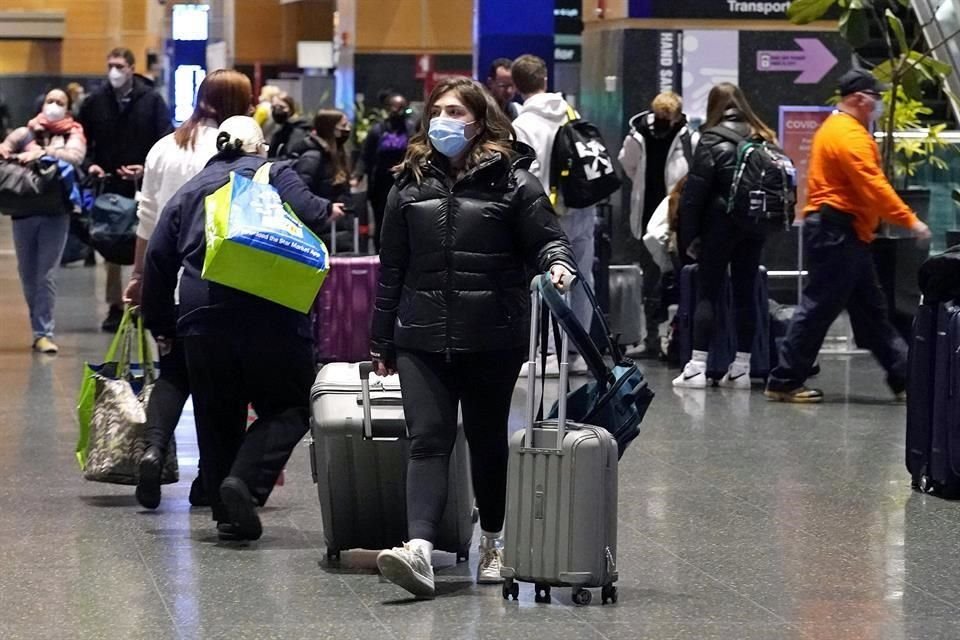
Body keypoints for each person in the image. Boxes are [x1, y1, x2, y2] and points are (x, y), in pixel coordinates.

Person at [369, 77, 577, 599]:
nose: (444, 120)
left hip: (492, 334)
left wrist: (557, 266)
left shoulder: (514, 182)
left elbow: (549, 240)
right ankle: (418, 549)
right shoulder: (408, 184)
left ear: (480, 120)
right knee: (428, 439)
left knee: (487, 441)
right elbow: (391, 266)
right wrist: (381, 339)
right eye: (437, 110)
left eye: (456, 111)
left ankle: (494, 540)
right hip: (420, 333)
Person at [141, 116, 344, 540]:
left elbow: (158, 260)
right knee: (292, 404)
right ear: (259, 147)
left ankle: (226, 511)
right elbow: (313, 215)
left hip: (202, 313)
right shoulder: (274, 172)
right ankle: (244, 484)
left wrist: (162, 323)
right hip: (272, 310)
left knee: (217, 414)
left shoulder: (190, 190)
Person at [124, 69, 255, 511]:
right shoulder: (238, 152)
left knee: (175, 372)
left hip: (171, 281)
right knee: (224, 386)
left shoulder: (165, 147)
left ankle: (153, 450)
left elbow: (147, 221)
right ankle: (211, 479)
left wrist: (139, 277)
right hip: (225, 284)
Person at [765, 69, 931, 403]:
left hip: (844, 233)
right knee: (818, 309)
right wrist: (908, 220)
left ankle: (905, 377)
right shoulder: (849, 134)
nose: (879, 104)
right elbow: (871, 183)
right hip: (837, 233)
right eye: (876, 98)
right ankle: (784, 381)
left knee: (872, 311)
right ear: (860, 98)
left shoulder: (838, 129)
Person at [672, 83, 778, 390]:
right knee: (746, 292)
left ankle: (697, 366)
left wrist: (688, 236)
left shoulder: (711, 139)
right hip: (754, 225)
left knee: (709, 292)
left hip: (718, 226)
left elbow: (694, 194)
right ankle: (742, 368)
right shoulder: (762, 136)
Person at [78, 47, 173, 333]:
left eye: (119, 65)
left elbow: (164, 139)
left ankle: (141, 301)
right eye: (110, 65)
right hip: (109, 183)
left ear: (132, 68)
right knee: (111, 246)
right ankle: (115, 306)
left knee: (143, 243)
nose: (114, 71)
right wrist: (89, 165)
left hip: (144, 183)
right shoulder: (95, 102)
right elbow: (82, 141)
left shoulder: (152, 101)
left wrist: (147, 168)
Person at [511, 54, 593, 374]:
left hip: (543, 212)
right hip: (581, 206)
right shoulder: (572, 113)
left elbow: (521, 172)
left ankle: (548, 354)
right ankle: (579, 352)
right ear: (545, 79)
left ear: (517, 87)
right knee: (579, 277)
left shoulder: (522, 125)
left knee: (547, 280)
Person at [0, 89, 86, 354]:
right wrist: (17, 155)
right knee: (28, 274)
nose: (53, 106)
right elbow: (3, 150)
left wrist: (42, 154)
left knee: (46, 274)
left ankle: (43, 332)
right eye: (50, 100)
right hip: (24, 210)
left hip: (55, 212)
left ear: (68, 108)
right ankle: (38, 325)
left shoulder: (73, 133)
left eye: (60, 102)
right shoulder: (24, 132)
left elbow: (75, 156)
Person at [619, 92, 698, 357]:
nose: (663, 122)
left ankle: (673, 336)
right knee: (650, 278)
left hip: (675, 217)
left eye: (668, 117)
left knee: (675, 277)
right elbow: (627, 164)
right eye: (660, 116)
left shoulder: (689, 139)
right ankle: (650, 337)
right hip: (646, 214)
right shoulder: (638, 135)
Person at [353, 92, 416, 251]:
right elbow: (365, 155)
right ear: (388, 109)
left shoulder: (411, 129)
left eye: (401, 107)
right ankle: (379, 253)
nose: (398, 111)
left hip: (405, 182)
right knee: (381, 220)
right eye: (394, 107)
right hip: (380, 183)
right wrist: (358, 175)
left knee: (405, 220)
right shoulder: (377, 130)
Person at [266, 92, 310, 159]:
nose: (277, 110)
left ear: (291, 108)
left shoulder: (298, 129)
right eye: (274, 107)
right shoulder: (280, 129)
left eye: (281, 107)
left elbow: (290, 154)